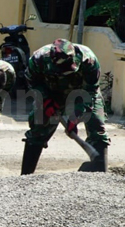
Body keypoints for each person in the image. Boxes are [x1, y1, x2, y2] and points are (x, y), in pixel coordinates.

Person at [21, 38, 110, 175]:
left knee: (96, 125)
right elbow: (32, 83)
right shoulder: (38, 59)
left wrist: (75, 117)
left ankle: (99, 172)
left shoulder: (88, 59)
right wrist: (45, 99)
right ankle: (25, 177)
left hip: (82, 93)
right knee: (39, 126)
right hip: (52, 93)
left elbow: (90, 92)